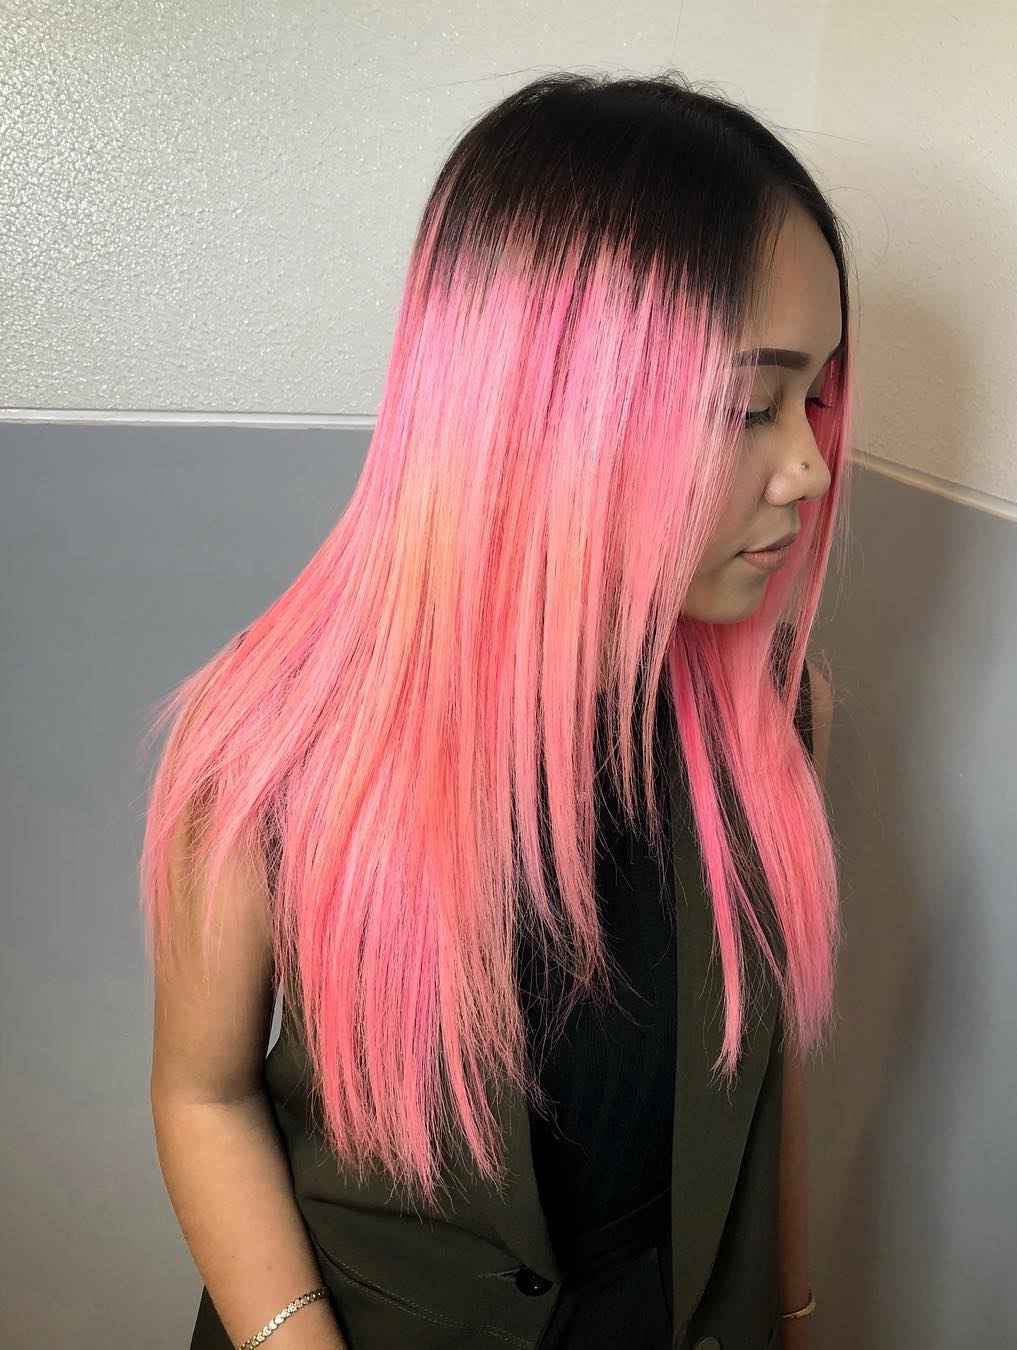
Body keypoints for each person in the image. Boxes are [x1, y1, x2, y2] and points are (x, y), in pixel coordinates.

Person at [142, 69, 849, 1350]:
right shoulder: (271, 742)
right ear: (549, 414)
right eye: (752, 403)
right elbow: (204, 1095)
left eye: (815, 398)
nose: (806, 461)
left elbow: (757, 1089)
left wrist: (792, 1314)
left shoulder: (767, 728)